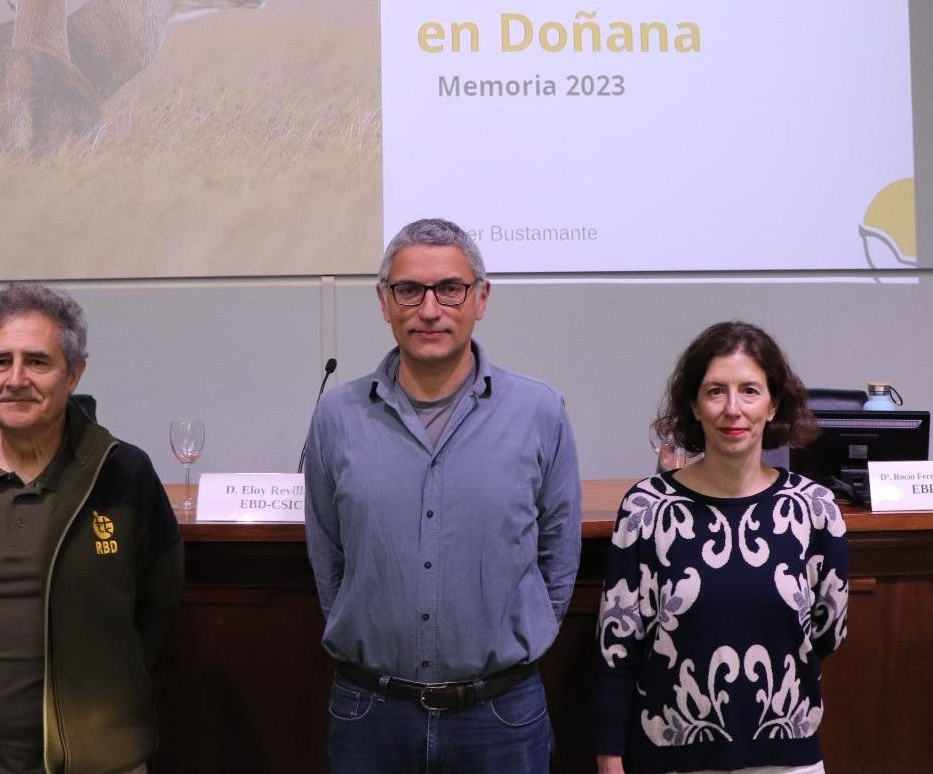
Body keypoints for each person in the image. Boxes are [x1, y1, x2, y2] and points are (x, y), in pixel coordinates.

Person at [303, 217, 583, 774]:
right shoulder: (337, 417)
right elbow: (328, 557)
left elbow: (558, 555)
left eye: (449, 289)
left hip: (500, 715)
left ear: (481, 297)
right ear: (384, 302)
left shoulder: (539, 412)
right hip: (372, 713)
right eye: (409, 290)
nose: (429, 310)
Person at [0, 282, 183, 774]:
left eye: (38, 362)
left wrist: (111, 685)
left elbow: (158, 602)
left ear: (74, 374)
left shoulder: (122, 473)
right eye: (0, 361)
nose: (16, 379)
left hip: (98, 760)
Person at [595, 321, 848, 774]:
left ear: (773, 405)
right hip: (671, 755)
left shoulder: (816, 509)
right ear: (693, 405)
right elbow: (618, 650)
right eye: (716, 392)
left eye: (750, 390)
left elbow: (826, 634)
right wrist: (610, 757)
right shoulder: (646, 509)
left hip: (786, 757)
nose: (734, 409)